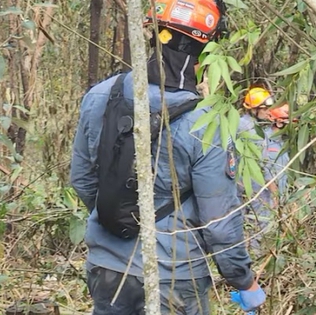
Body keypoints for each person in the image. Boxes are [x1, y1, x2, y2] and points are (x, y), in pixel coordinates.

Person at [69, 1, 265, 314]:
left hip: (106, 268)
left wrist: (118, 218)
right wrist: (243, 281)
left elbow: (81, 179)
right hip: (176, 276)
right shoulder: (209, 122)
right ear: (208, 50)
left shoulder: (101, 95)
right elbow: (218, 224)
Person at [237, 87, 292, 257]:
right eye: (264, 108)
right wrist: (275, 195)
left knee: (253, 225)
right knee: (259, 225)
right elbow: (264, 165)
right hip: (257, 187)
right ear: (253, 109)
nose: (267, 112)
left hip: (252, 186)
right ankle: (254, 259)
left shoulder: (251, 125)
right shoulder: (250, 129)